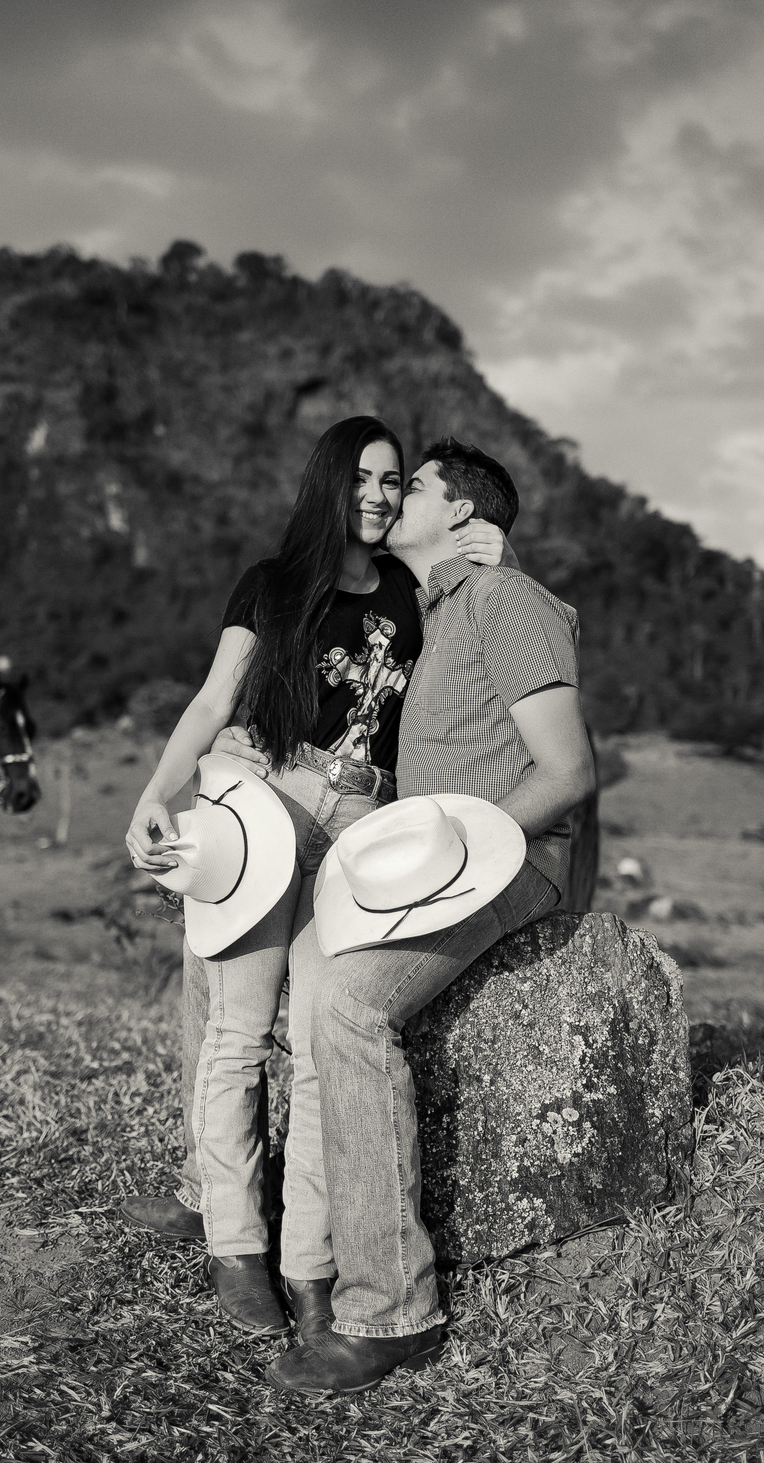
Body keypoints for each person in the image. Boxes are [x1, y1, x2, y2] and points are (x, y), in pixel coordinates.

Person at [121, 417, 509, 1339]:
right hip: (276, 804)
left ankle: (309, 1266)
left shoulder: (418, 594)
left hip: (367, 825)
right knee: (238, 1033)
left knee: (319, 1050)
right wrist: (156, 791)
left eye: (393, 482)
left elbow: (493, 631)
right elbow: (216, 699)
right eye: (364, 479)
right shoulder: (274, 586)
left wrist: (498, 551)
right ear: (332, 483)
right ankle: (236, 1248)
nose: (378, 496)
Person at [245, 436, 596, 1394]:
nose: (394, 496)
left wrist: (465, 851)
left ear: (465, 516)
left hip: (506, 862)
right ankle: (288, 1251)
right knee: (304, 989)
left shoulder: (506, 602)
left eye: (417, 486)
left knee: (354, 1007)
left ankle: (393, 1308)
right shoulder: (442, 612)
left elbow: (569, 773)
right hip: (433, 865)